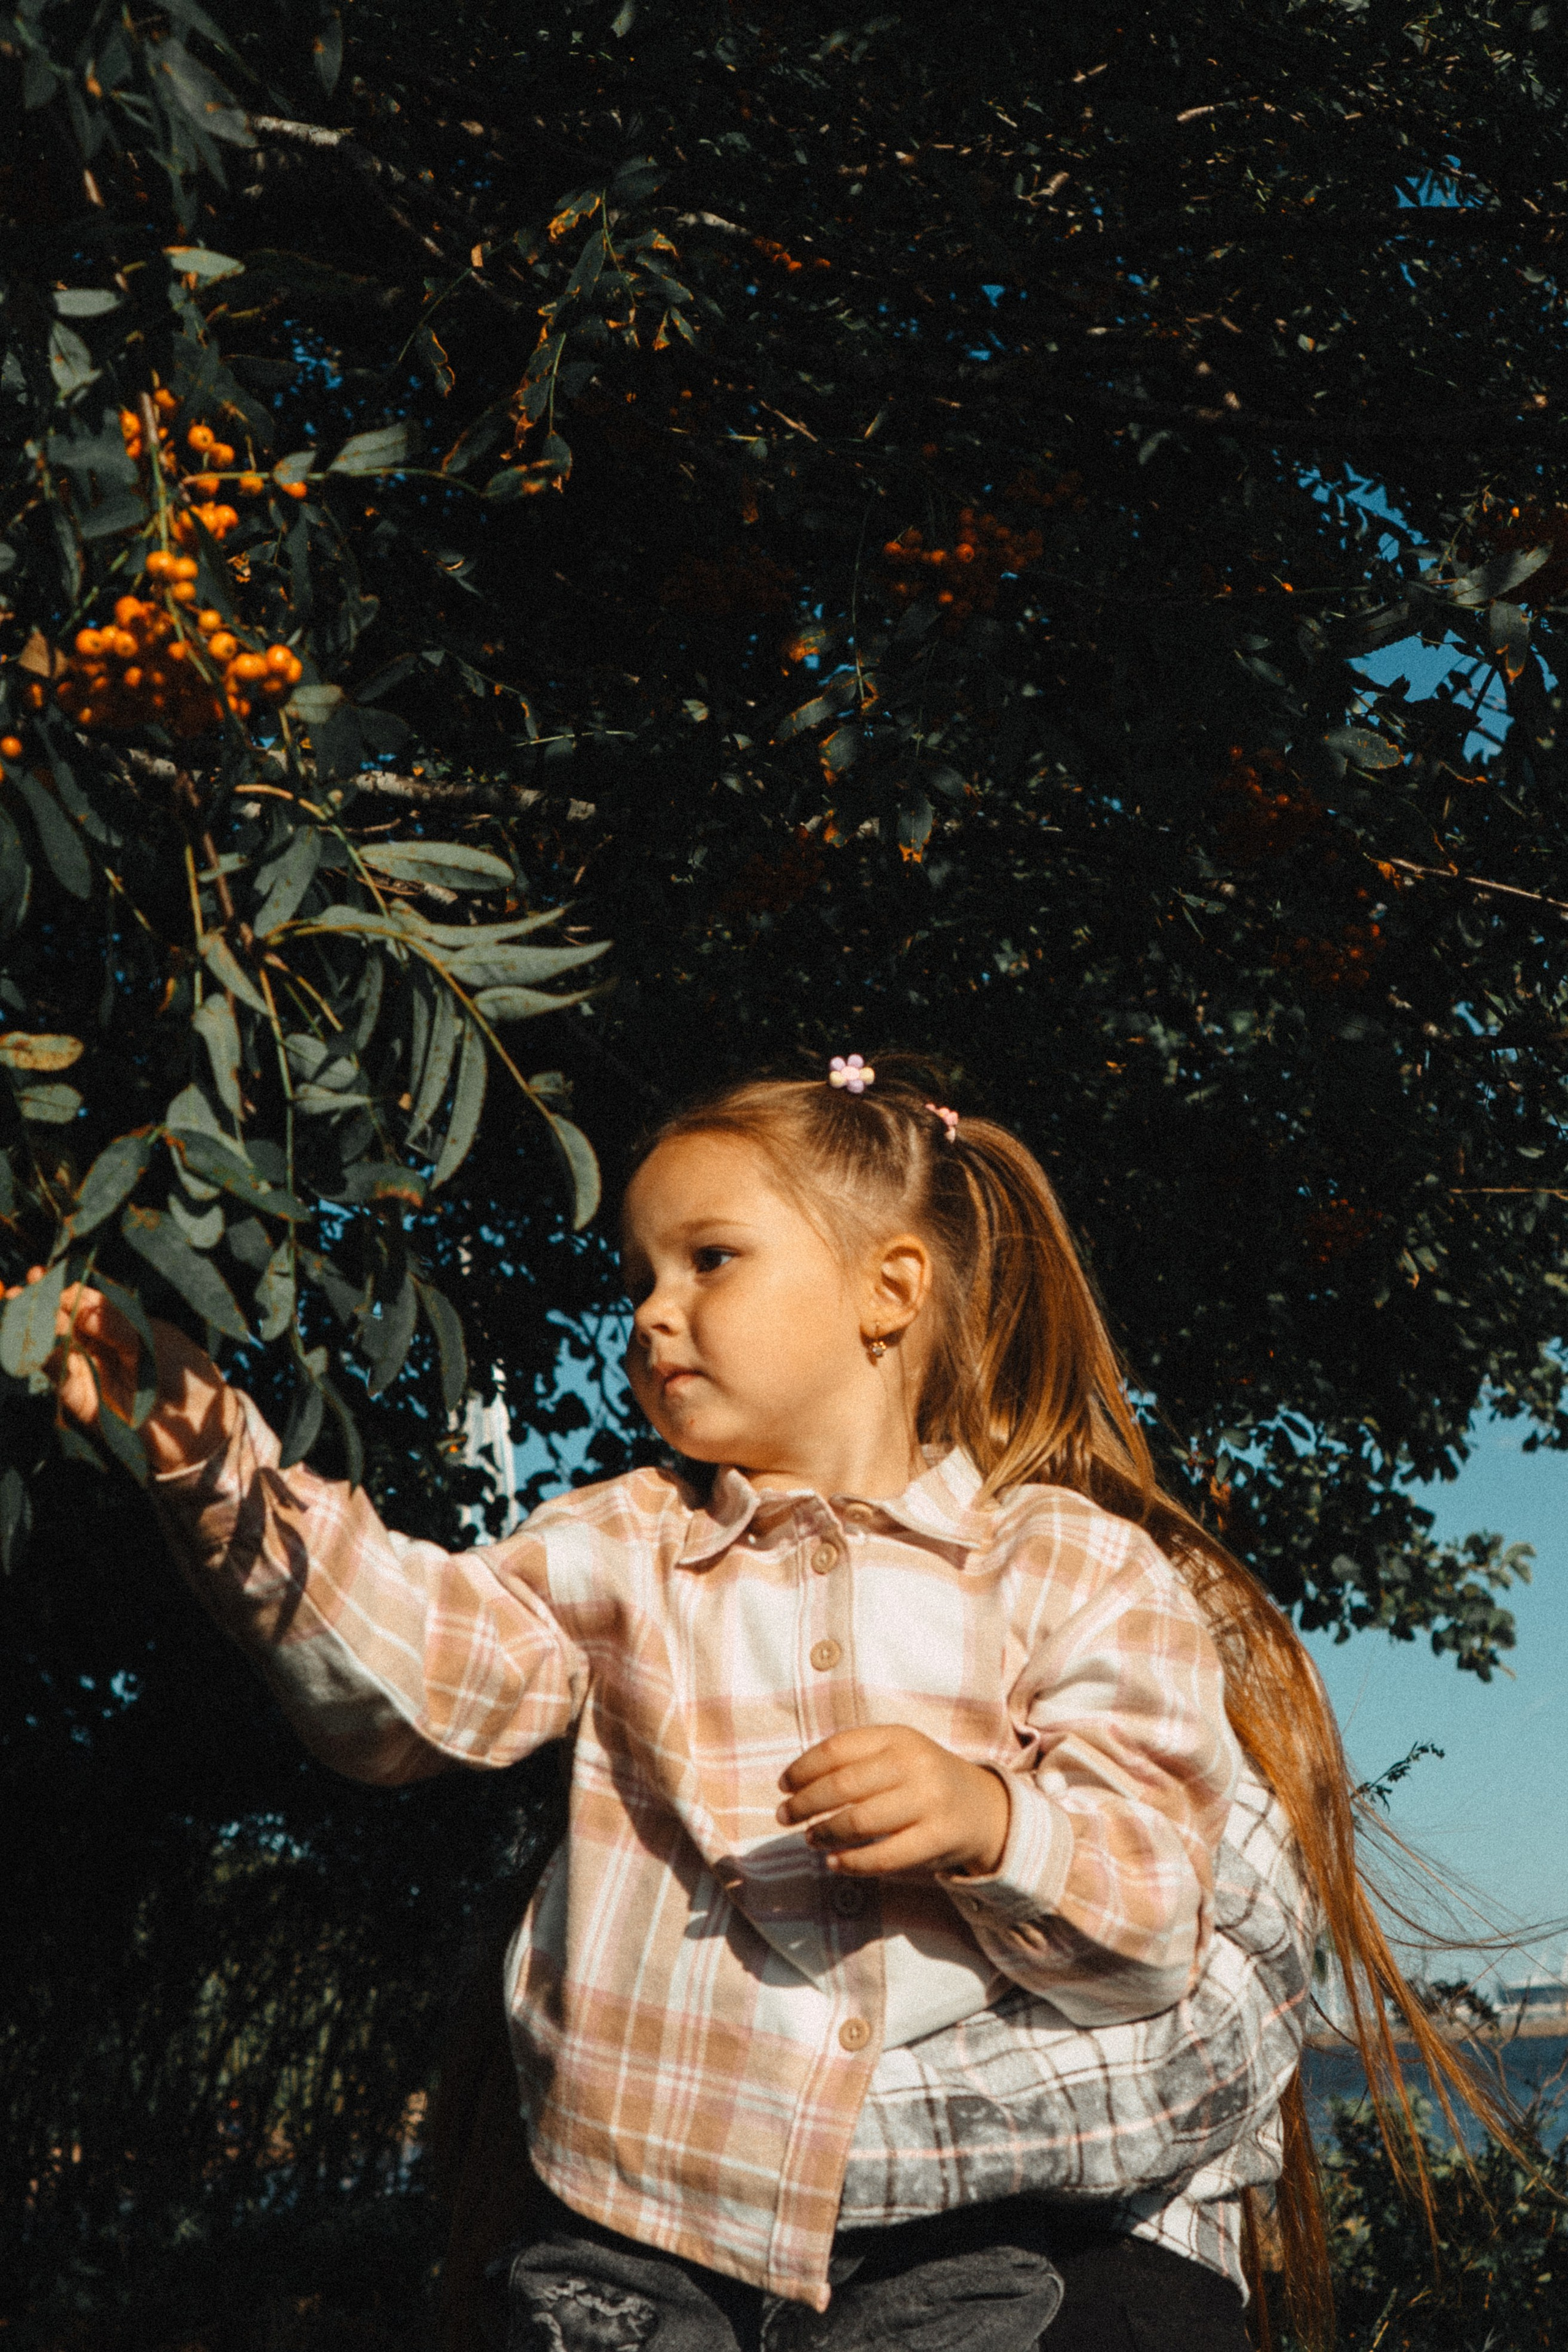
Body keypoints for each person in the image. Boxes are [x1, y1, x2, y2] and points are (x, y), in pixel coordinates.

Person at [28, 1058, 1501, 2351]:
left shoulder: (1071, 1571)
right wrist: (226, 1483)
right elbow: (421, 1681)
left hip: (962, 2251)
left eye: (709, 1261)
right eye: (638, 1282)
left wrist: (995, 1822)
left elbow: (1147, 1919)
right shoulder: (619, 1544)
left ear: (890, 1289)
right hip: (631, 2226)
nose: (653, 1316)